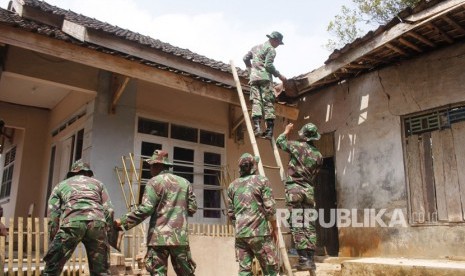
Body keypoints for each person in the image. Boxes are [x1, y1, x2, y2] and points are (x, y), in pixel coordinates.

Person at [114, 150, 197, 276]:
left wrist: (123, 221)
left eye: (151, 166)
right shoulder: (185, 183)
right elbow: (192, 208)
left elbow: (146, 209)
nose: (150, 169)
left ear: (158, 165)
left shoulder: (153, 182)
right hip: (179, 238)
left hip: (158, 239)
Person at [43, 159, 114, 275]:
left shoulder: (61, 185)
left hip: (72, 223)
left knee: (52, 266)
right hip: (97, 224)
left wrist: (53, 236)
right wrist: (108, 232)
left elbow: (53, 213)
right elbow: (109, 210)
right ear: (88, 173)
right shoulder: (98, 184)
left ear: (73, 172)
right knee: (101, 271)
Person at [276, 123, 323, 271]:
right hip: (308, 190)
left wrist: (286, 131)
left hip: (295, 188)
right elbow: (315, 173)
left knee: (297, 223)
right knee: (308, 224)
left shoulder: (298, 146)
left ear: (304, 135)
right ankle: (310, 259)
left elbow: (280, 142)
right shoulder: (319, 156)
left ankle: (303, 259)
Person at [227, 153, 279, 276]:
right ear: (253, 166)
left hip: (241, 235)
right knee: (270, 270)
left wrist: (241, 228)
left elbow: (231, 213)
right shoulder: (262, 181)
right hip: (259, 233)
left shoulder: (232, 186)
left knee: (244, 272)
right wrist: (275, 228)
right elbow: (270, 208)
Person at [243, 31, 287, 140]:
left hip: (253, 79)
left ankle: (257, 128)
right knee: (268, 102)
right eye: (278, 43)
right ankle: (269, 131)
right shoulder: (271, 49)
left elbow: (245, 58)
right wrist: (279, 75)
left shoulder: (255, 47)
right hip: (265, 79)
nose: (277, 45)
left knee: (256, 101)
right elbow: (269, 65)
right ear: (275, 40)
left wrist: (250, 70)